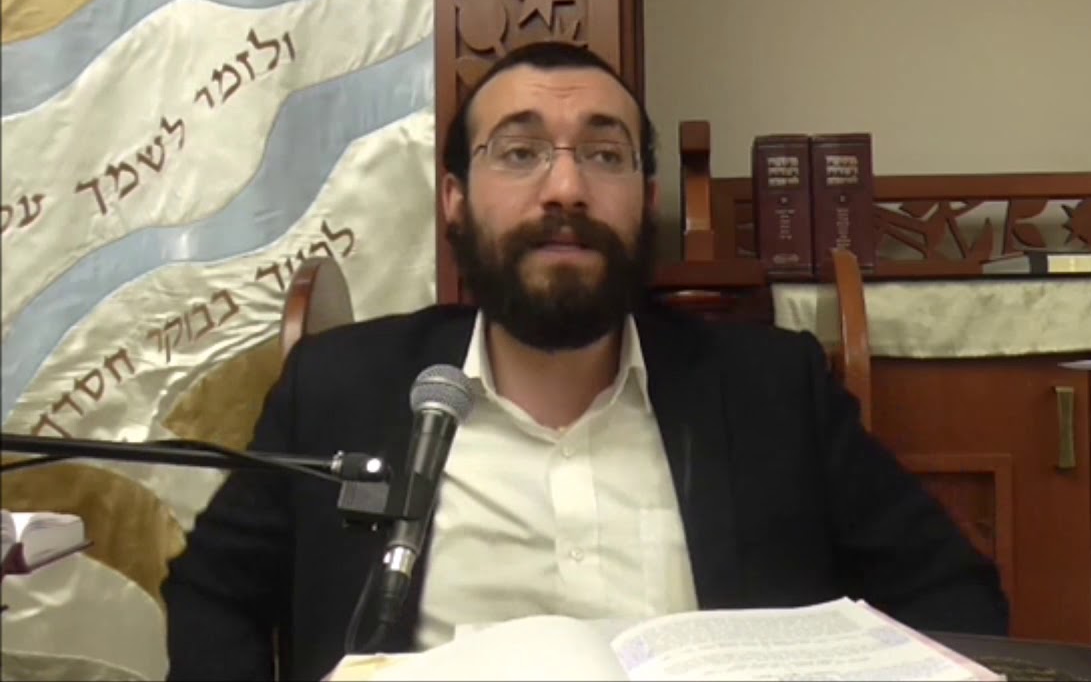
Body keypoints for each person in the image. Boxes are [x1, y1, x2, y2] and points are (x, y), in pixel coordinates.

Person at [162, 41, 1008, 681]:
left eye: (604, 156)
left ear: (646, 200)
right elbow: (213, 595)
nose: (565, 189)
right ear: (455, 200)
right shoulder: (340, 386)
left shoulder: (770, 390)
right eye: (519, 153)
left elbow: (952, 594)